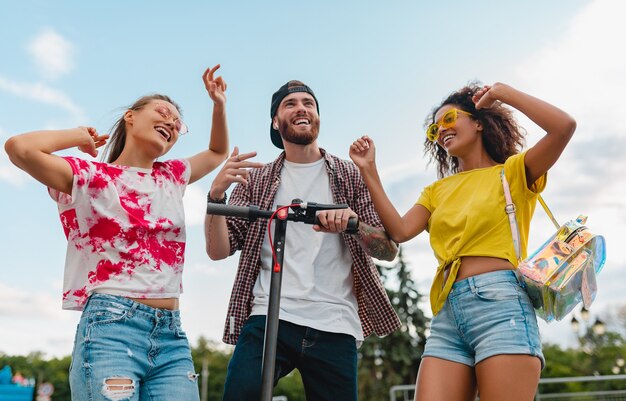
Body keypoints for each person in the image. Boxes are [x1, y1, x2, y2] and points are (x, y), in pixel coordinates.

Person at [4, 65, 230, 401]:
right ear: (131, 117)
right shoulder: (92, 176)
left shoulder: (172, 175)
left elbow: (216, 152)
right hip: (112, 327)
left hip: (171, 335)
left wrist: (218, 105)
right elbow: (19, 148)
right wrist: (80, 135)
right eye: (163, 112)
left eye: (177, 125)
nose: (171, 123)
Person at [349, 82, 576, 401]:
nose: (441, 131)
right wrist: (368, 170)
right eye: (434, 130)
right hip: (447, 312)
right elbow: (399, 231)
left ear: (479, 121)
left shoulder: (511, 173)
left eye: (449, 119)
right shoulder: (435, 191)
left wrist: (501, 93)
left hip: (501, 304)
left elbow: (563, 127)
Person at [204, 80, 401, 401]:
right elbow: (217, 251)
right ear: (275, 121)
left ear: (317, 117)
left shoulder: (349, 174)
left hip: (336, 321)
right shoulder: (256, 178)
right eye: (290, 103)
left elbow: (388, 250)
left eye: (309, 103)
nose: (302, 108)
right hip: (269, 316)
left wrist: (353, 225)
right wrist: (215, 196)